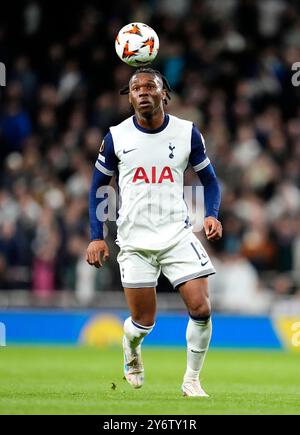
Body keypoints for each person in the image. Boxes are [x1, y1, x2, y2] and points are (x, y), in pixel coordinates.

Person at [86, 68, 222, 397]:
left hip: (177, 235)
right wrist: (96, 235)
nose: (143, 92)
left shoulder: (187, 133)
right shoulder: (116, 138)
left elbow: (211, 182)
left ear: (165, 94)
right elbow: (97, 188)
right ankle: (130, 347)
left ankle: (192, 379)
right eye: (136, 88)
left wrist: (211, 215)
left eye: (151, 86)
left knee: (201, 309)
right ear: (129, 97)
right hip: (134, 241)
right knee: (143, 322)